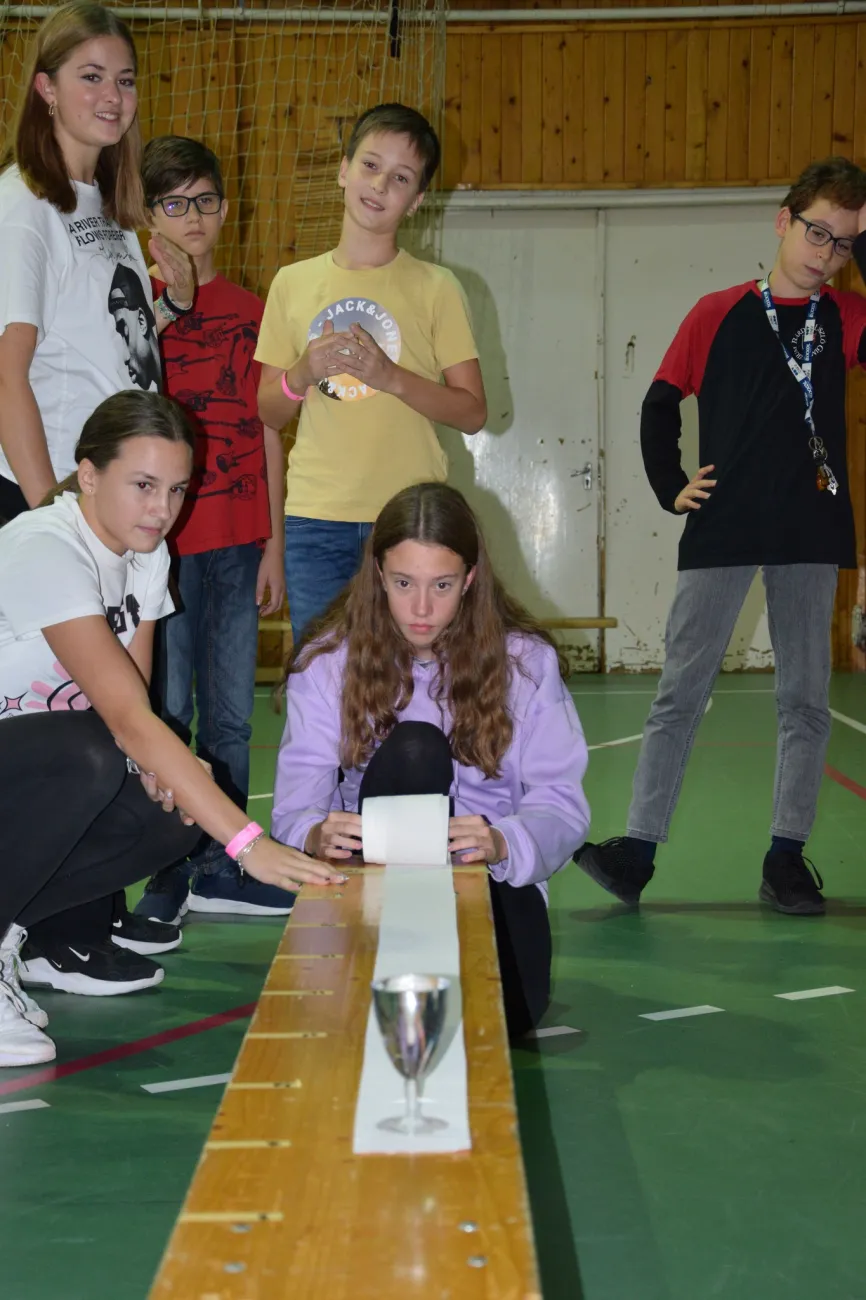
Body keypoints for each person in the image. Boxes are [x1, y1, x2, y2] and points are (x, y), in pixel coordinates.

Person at [0, 389, 345, 1067]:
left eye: (177, 490)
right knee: (96, 754)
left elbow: (135, 707)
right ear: (89, 475)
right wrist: (248, 845)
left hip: (30, 769)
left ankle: (12, 930)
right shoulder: (44, 546)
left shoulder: (147, 555)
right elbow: (124, 721)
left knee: (172, 817)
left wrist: (174, 782)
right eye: (143, 485)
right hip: (30, 765)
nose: (162, 509)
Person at [576, 156, 866, 918]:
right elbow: (658, 402)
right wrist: (670, 484)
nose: (826, 254)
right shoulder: (717, 312)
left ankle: (785, 858)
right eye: (817, 232)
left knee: (804, 701)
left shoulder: (847, 317)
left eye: (844, 243)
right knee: (681, 693)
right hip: (724, 527)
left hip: (810, 529)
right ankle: (636, 853)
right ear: (783, 220)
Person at [0, 0, 195, 983]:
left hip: (113, 511)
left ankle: (65, 924)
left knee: (120, 724)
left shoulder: (111, 217)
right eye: (89, 76)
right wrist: (49, 512)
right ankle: (39, 930)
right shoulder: (21, 204)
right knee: (69, 728)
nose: (112, 97)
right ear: (44, 88)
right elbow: (10, 370)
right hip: (52, 504)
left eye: (124, 80)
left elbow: (108, 355)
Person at [271, 482, 589, 1039]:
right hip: (376, 888)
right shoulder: (327, 663)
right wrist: (315, 833)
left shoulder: (525, 663)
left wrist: (502, 842)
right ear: (377, 575)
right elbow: (293, 812)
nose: (421, 608)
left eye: (442, 585)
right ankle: (385, 957)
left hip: (488, 882)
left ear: (470, 578)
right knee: (415, 750)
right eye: (403, 583)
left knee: (506, 1018)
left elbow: (562, 807)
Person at [255, 103, 487, 646]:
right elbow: (268, 410)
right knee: (323, 676)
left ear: (417, 200)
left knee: (411, 675)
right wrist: (302, 372)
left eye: (401, 178)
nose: (380, 185)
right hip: (315, 519)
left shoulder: (437, 288)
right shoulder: (291, 283)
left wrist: (391, 377)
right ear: (344, 170)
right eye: (370, 165)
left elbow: (473, 413)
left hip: (412, 520)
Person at [133, 135, 290, 924]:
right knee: (167, 713)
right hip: (159, 551)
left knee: (230, 713)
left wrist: (275, 545)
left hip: (236, 543)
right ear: (148, 217)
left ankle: (226, 864)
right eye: (173, 203)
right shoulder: (136, 310)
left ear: (224, 211)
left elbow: (270, 433)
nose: (191, 217)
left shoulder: (255, 314)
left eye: (203, 201)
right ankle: (166, 868)